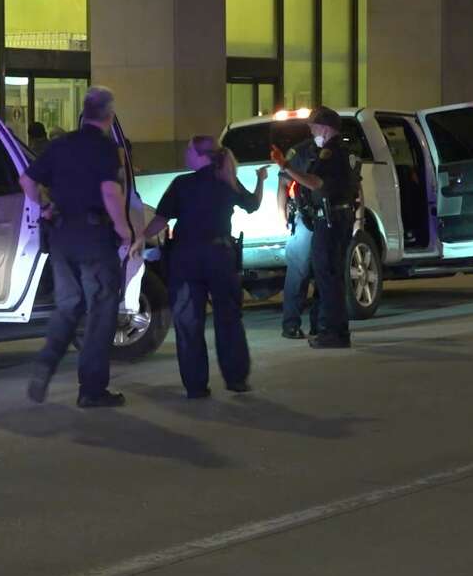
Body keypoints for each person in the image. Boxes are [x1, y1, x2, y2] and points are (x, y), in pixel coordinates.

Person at [19, 86, 137, 408]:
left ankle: (45, 365)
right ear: (109, 117)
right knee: (101, 311)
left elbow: (26, 181)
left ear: (83, 114)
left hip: (62, 236)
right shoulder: (105, 148)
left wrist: (44, 205)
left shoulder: (60, 145)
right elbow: (110, 192)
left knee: (68, 306)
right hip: (94, 238)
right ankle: (92, 390)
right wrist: (124, 230)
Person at [141, 138, 265, 398]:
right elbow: (252, 205)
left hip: (187, 258)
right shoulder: (227, 180)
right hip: (221, 256)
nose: (185, 154)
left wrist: (138, 239)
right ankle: (236, 378)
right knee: (229, 318)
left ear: (200, 156)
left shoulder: (182, 184)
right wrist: (261, 180)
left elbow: (160, 220)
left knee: (189, 322)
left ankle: (196, 386)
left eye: (188, 150)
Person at [270, 106, 359, 349]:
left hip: (328, 220)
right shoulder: (346, 151)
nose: (310, 130)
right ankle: (332, 330)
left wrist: (286, 166)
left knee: (326, 277)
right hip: (339, 218)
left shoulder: (329, 153)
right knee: (331, 277)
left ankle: (331, 333)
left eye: (313, 126)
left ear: (325, 127)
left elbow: (315, 182)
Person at [279, 137, 319, 339]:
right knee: (298, 272)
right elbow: (284, 184)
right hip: (304, 218)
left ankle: (319, 325)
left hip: (329, 219)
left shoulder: (339, 150)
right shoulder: (300, 152)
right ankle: (291, 325)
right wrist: (282, 214)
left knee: (326, 273)